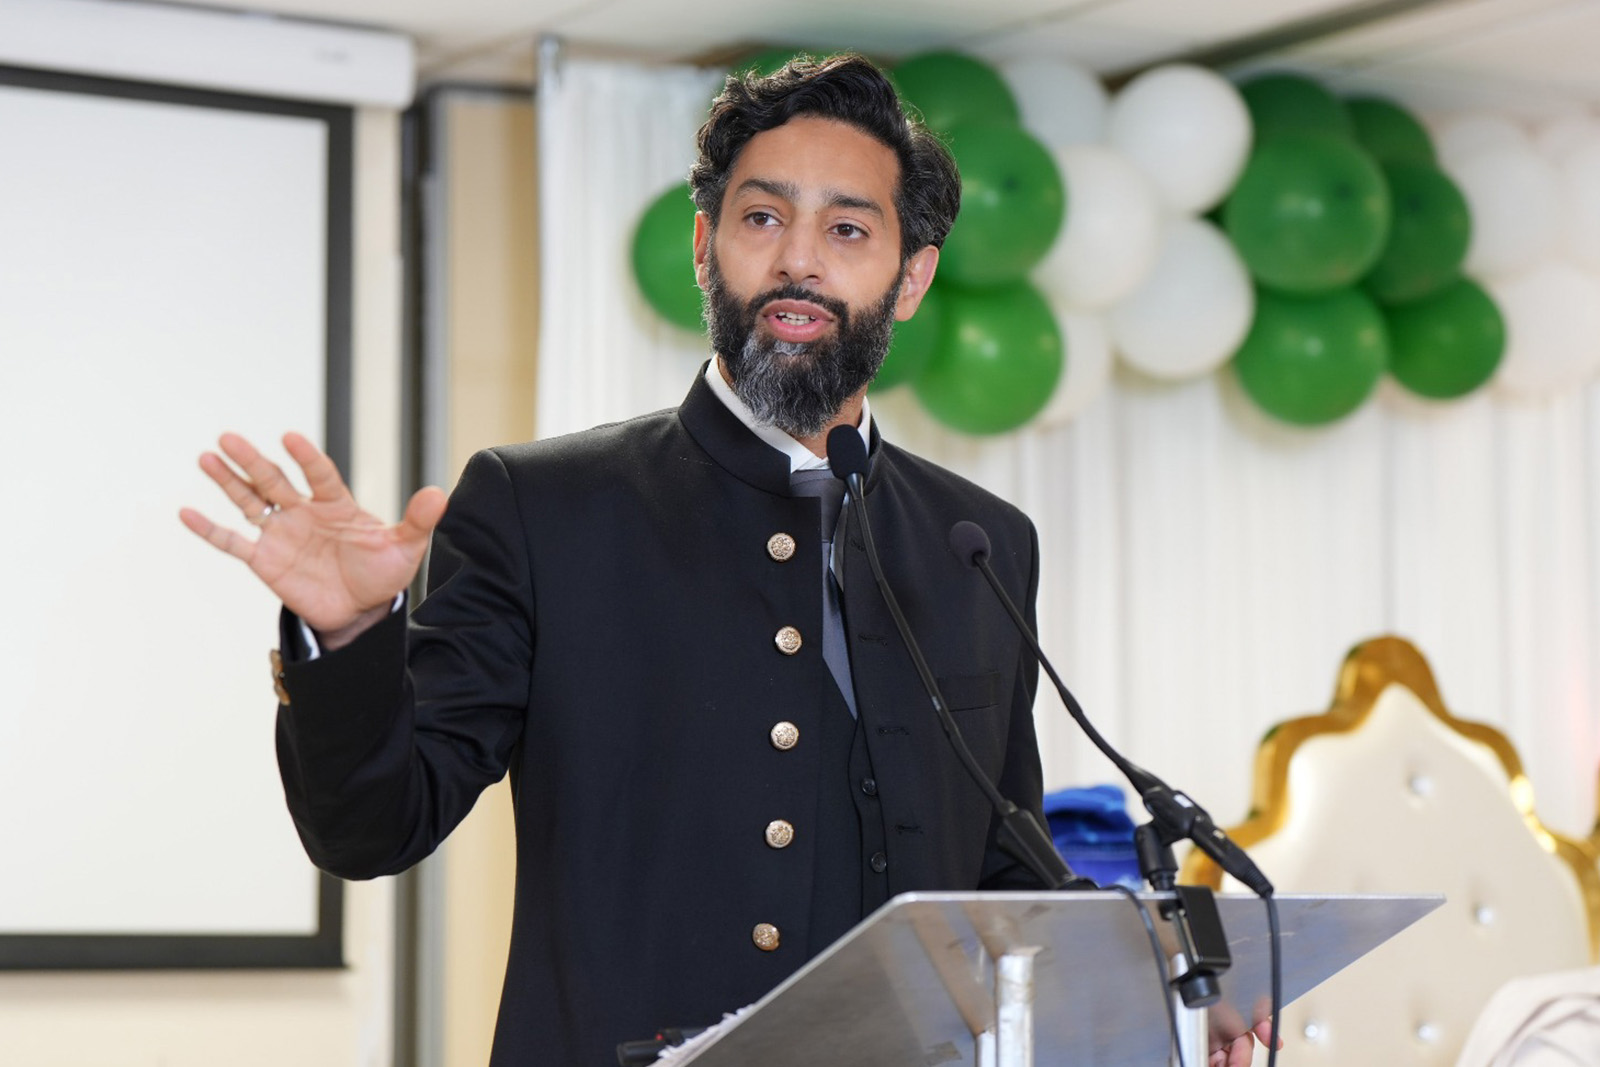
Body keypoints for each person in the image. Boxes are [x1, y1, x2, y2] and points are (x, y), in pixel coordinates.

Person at [183, 54, 1271, 1067]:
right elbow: (373, 827)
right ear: (705, 245)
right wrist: (353, 639)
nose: (798, 258)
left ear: (911, 277)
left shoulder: (975, 537)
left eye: (849, 231)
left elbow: (998, 870)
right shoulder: (545, 506)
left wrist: (1170, 997)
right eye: (761, 217)